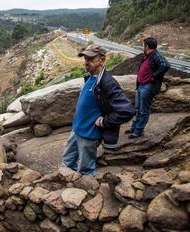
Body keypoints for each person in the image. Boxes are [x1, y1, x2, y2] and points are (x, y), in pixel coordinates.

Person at [62, 44, 134, 176]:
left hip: (89, 135)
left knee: (86, 171)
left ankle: (85, 192)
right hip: (77, 130)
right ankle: (66, 183)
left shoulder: (108, 82)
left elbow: (127, 110)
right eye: (85, 59)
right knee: (67, 162)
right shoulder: (90, 77)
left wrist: (104, 122)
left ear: (102, 59)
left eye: (91, 58)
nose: (86, 62)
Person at [127, 37, 170, 139]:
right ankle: (134, 127)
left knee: (143, 110)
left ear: (146, 46)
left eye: (143, 45)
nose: (142, 46)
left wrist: (154, 76)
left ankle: (138, 131)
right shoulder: (147, 55)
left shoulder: (156, 55)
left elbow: (165, 65)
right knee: (137, 109)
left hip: (148, 86)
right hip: (141, 85)